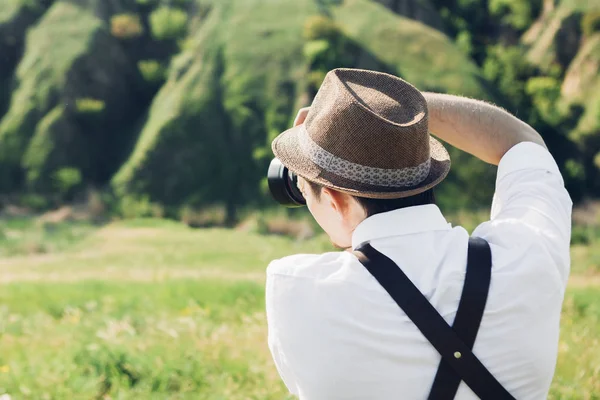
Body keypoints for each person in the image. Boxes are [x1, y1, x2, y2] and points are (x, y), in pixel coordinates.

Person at [265, 68, 572, 399]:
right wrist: (401, 111)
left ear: (333, 200)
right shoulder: (528, 253)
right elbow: (523, 143)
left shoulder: (296, 288)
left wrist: (360, 116)